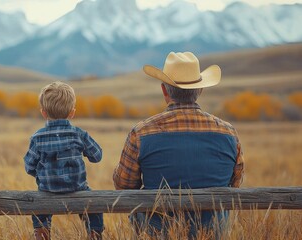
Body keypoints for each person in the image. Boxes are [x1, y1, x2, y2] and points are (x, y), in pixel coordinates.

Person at [113, 52, 244, 237]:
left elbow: (124, 185)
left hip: (156, 233)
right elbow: (235, 183)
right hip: (213, 232)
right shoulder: (228, 133)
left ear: (164, 91)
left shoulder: (141, 132)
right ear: (200, 90)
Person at [24, 81, 104, 240]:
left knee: (39, 207)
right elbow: (97, 156)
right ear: (72, 112)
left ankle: (42, 233)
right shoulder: (78, 134)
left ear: (43, 112)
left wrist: (41, 175)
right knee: (94, 205)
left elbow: (29, 166)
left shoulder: (37, 138)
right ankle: (94, 233)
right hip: (78, 188)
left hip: (47, 190)